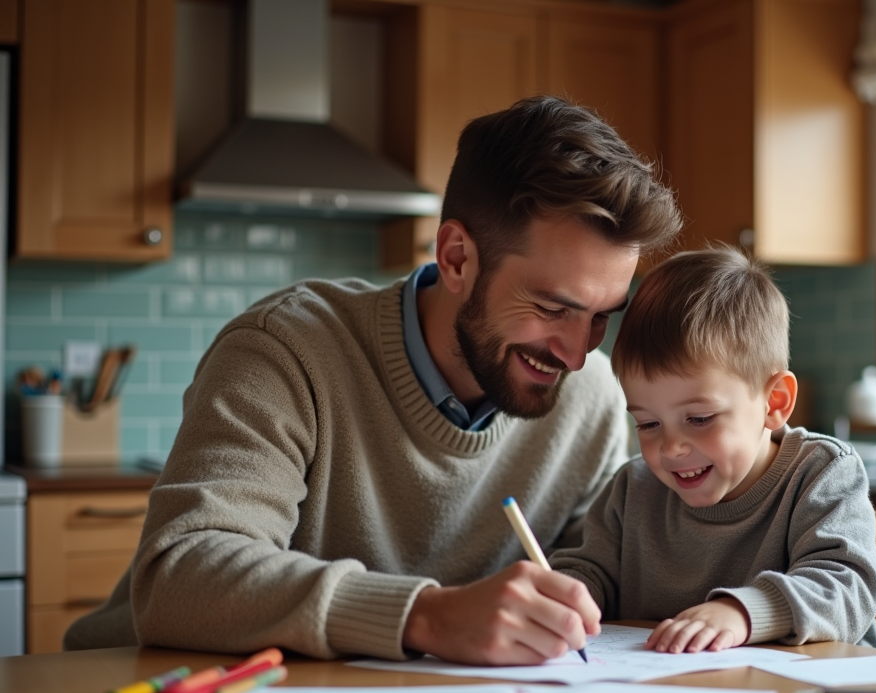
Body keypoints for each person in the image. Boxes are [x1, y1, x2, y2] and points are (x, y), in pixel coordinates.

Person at [64, 96, 682, 664]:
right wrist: (427, 615)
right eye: (553, 308)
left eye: (601, 317)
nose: (576, 354)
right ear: (458, 258)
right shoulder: (285, 352)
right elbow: (179, 576)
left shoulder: (592, 397)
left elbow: (601, 576)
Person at [550, 246, 876, 654]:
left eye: (700, 418)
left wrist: (744, 613)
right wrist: (564, 597)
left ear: (774, 401)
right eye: (648, 424)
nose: (670, 448)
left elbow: (847, 588)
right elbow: (590, 570)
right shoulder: (631, 489)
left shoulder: (821, 474)